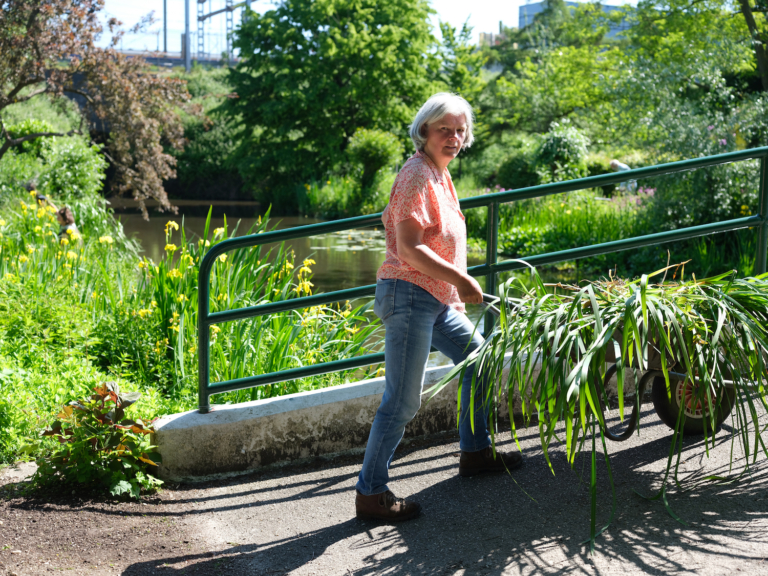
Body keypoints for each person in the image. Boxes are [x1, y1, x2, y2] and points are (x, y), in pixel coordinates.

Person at [355, 93, 523, 523]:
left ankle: (476, 452)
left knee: (478, 359)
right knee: (403, 401)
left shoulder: (439, 175)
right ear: (424, 131)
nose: (453, 137)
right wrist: (462, 281)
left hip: (435, 298)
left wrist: (453, 292)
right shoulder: (415, 175)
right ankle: (370, 493)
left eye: (459, 130)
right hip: (409, 293)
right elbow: (410, 250)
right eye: (444, 129)